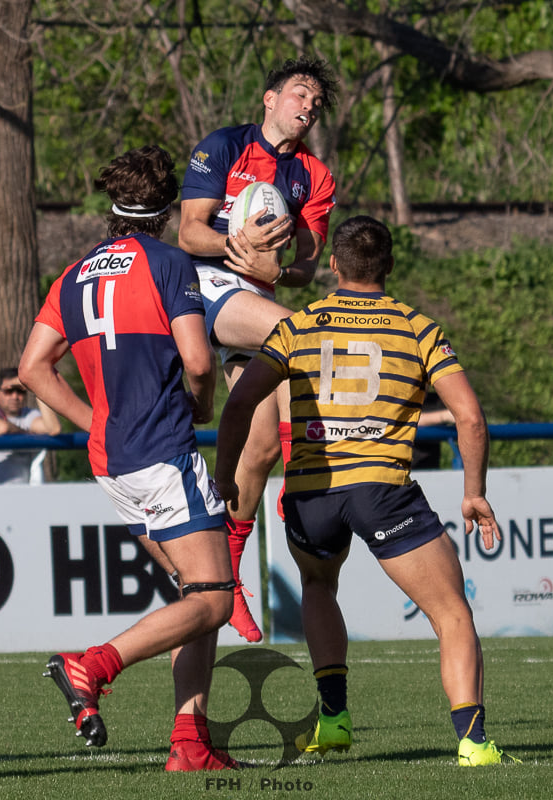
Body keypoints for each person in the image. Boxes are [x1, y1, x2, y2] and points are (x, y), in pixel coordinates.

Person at [214, 215, 521, 767]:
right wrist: (474, 491)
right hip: (381, 490)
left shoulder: (297, 326)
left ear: (333, 265)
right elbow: (470, 417)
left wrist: (224, 475)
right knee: (451, 613)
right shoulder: (417, 328)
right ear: (390, 266)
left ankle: (333, 719)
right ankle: (473, 743)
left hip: (311, 494)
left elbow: (239, 404)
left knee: (318, 586)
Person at [18, 145, 239, 772]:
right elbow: (198, 361)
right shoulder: (169, 262)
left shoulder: (73, 275)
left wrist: (95, 421)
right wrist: (203, 405)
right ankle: (91, 665)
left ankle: (190, 745)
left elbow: (32, 368)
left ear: (113, 207)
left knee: (195, 596)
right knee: (215, 599)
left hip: (112, 462)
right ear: (167, 209)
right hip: (163, 451)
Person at [179, 55, 337, 642]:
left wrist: (278, 270)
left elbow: (306, 268)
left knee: (263, 441)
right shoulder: (224, 145)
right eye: (299, 94)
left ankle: (227, 575)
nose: (308, 106)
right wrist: (237, 246)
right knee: (297, 334)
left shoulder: (314, 177)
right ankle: (303, 486)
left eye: (316, 102)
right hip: (205, 284)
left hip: (256, 296)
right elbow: (188, 231)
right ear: (270, 99)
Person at [0, 367, 61, 485]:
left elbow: (53, 428)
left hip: (19, 493)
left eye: (20, 391)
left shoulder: (29, 415)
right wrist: (29, 435)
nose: (15, 396)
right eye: (9, 391)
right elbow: (1, 428)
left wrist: (38, 390)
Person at [412, 388, 456, 470]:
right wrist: (444, 416)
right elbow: (401, 420)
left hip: (430, 467)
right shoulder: (397, 399)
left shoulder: (439, 400)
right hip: (399, 467)